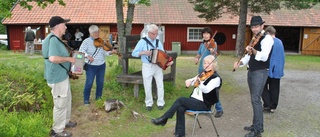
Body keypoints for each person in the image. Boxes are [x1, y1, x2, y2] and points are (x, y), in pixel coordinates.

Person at [151, 55, 222, 137]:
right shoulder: (202, 74)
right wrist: (188, 81)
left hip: (204, 104)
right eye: (205, 63)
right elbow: (192, 81)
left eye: (208, 63)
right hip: (194, 100)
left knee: (181, 100)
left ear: (214, 65)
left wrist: (200, 83)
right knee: (180, 108)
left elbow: (206, 89)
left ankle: (164, 118)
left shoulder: (216, 79)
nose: (206, 65)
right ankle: (180, 133)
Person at [233, 16, 274, 137]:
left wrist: (253, 51)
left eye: (256, 26)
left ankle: (257, 130)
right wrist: (239, 63)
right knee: (254, 99)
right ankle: (255, 125)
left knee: (256, 100)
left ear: (262, 26)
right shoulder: (255, 39)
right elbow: (248, 56)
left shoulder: (267, 39)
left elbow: (264, 56)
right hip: (251, 71)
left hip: (260, 72)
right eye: (252, 27)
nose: (254, 29)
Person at [42, 16, 77, 137]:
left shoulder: (56, 39)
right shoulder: (53, 40)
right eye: (64, 24)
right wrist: (69, 59)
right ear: (57, 26)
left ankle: (65, 121)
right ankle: (57, 131)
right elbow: (52, 58)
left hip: (62, 75)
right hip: (57, 77)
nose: (66, 27)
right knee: (60, 103)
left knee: (66, 100)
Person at [131, 24, 173, 111]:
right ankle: (149, 103)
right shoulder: (142, 42)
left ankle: (161, 102)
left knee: (160, 84)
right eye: (154, 34)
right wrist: (143, 52)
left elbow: (163, 53)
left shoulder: (158, 42)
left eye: (156, 34)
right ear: (149, 33)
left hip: (157, 66)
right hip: (147, 66)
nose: (155, 36)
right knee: (147, 85)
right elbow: (133, 53)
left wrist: (168, 61)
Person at [79, 25, 117, 105]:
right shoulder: (86, 41)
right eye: (95, 32)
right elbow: (81, 51)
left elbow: (105, 52)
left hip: (101, 65)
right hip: (91, 66)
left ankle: (98, 97)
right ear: (91, 33)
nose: (97, 34)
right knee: (89, 83)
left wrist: (110, 52)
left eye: (98, 32)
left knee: (100, 82)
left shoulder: (102, 41)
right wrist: (87, 56)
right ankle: (86, 99)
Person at [194, 27, 224, 118]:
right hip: (201, 69)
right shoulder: (202, 44)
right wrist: (197, 58)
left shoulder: (213, 43)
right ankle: (204, 107)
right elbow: (199, 53)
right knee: (200, 88)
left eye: (207, 34)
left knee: (212, 90)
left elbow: (215, 54)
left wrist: (212, 51)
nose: (205, 35)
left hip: (210, 70)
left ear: (210, 35)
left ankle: (219, 109)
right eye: (204, 34)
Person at [262, 26, 285, 113]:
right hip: (278, 67)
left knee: (262, 86)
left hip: (270, 67)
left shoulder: (269, 42)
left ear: (268, 33)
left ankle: (268, 104)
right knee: (275, 87)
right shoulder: (280, 42)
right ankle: (273, 107)